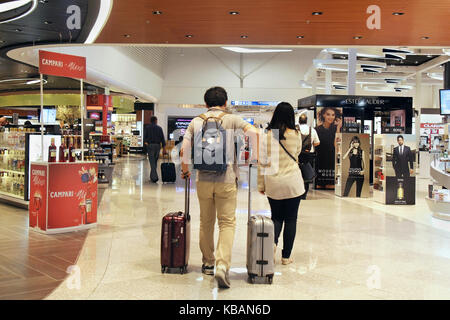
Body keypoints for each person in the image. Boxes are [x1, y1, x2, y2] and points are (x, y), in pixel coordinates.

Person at [180, 86, 258, 289]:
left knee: (206, 222)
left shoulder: (196, 121)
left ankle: (207, 263)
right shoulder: (232, 119)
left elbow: (184, 149)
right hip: (226, 179)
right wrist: (253, 158)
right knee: (227, 223)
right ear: (225, 103)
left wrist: (185, 170)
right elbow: (254, 133)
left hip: (203, 180)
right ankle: (222, 266)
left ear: (205, 103)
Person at [258, 102, 305, 266]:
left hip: (273, 182)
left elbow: (262, 162)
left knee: (276, 217)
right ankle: (286, 257)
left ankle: (272, 244)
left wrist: (261, 185)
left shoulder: (267, 135)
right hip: (293, 182)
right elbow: (297, 153)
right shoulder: (296, 134)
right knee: (291, 219)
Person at [315, 107, 342, 189]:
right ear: (323, 115)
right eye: (328, 114)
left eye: (333, 115)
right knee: (320, 185)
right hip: (320, 160)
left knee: (330, 185)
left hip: (332, 159)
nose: (331, 117)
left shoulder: (335, 129)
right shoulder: (317, 129)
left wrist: (338, 128)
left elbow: (337, 145)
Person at [297, 113, 320, 199]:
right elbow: (317, 142)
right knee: (306, 175)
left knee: (297, 174)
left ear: (299, 121)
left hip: (297, 155)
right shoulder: (312, 130)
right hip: (308, 155)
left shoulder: (296, 129)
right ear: (306, 121)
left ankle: (297, 193)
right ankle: (304, 195)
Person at [144, 116, 167, 183]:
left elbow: (145, 137)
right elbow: (162, 138)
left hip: (150, 146)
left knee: (152, 162)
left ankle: (154, 178)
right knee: (155, 162)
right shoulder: (159, 128)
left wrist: (146, 144)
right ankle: (152, 176)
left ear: (151, 121)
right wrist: (164, 148)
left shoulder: (147, 128)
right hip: (157, 146)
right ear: (156, 120)